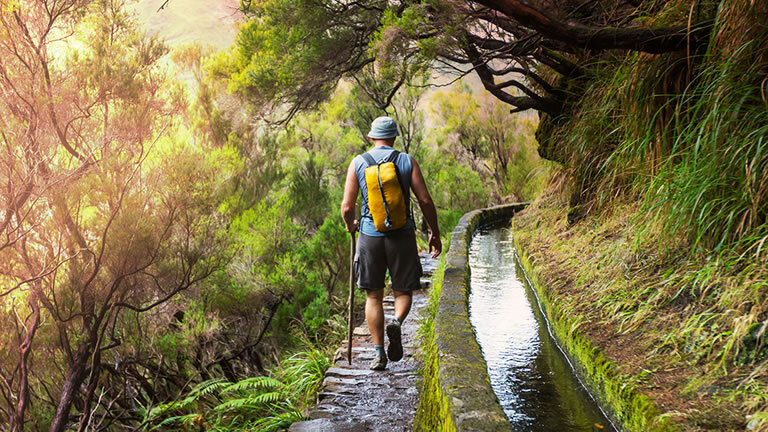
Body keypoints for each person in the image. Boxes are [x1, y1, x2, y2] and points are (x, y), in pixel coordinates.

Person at [340, 116, 442, 371]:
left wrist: (350, 225)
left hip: (369, 236)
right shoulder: (407, 161)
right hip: (402, 234)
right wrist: (434, 232)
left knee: (373, 295)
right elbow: (426, 201)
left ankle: (378, 355)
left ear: (372, 137)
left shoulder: (358, 162)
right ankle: (396, 321)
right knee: (403, 291)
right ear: (394, 137)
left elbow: (347, 207)